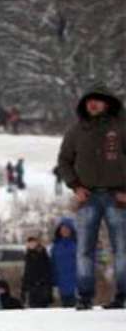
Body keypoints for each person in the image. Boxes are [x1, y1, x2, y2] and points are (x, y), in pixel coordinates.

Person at [57, 83, 126, 310]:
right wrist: (75, 186)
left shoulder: (122, 126)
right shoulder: (76, 131)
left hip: (118, 196)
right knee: (84, 249)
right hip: (88, 197)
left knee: (121, 249)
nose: (92, 103)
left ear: (107, 102)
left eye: (97, 100)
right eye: (88, 100)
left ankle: (122, 297)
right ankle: (84, 297)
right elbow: (64, 161)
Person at [50, 218, 78, 307]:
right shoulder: (55, 246)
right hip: (61, 285)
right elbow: (53, 266)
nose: (64, 231)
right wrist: (54, 285)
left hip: (77, 284)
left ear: (71, 230)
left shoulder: (78, 244)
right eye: (62, 229)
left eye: (67, 229)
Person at [21, 236, 53, 308]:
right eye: (29, 243)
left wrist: (42, 282)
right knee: (33, 307)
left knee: (43, 307)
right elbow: (26, 272)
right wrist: (24, 287)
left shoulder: (42, 254)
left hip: (42, 286)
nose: (31, 244)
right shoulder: (28, 255)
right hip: (31, 287)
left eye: (33, 242)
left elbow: (46, 270)